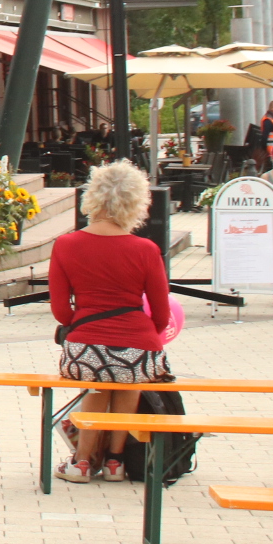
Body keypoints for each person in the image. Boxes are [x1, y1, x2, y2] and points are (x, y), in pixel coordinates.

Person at [47, 160, 174, 483]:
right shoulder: (146, 249)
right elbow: (162, 315)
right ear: (137, 202)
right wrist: (137, 337)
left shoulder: (66, 244)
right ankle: (115, 462)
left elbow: (61, 312)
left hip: (85, 351)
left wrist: (86, 324)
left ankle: (81, 462)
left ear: (91, 196)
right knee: (128, 379)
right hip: (139, 351)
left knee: (98, 382)